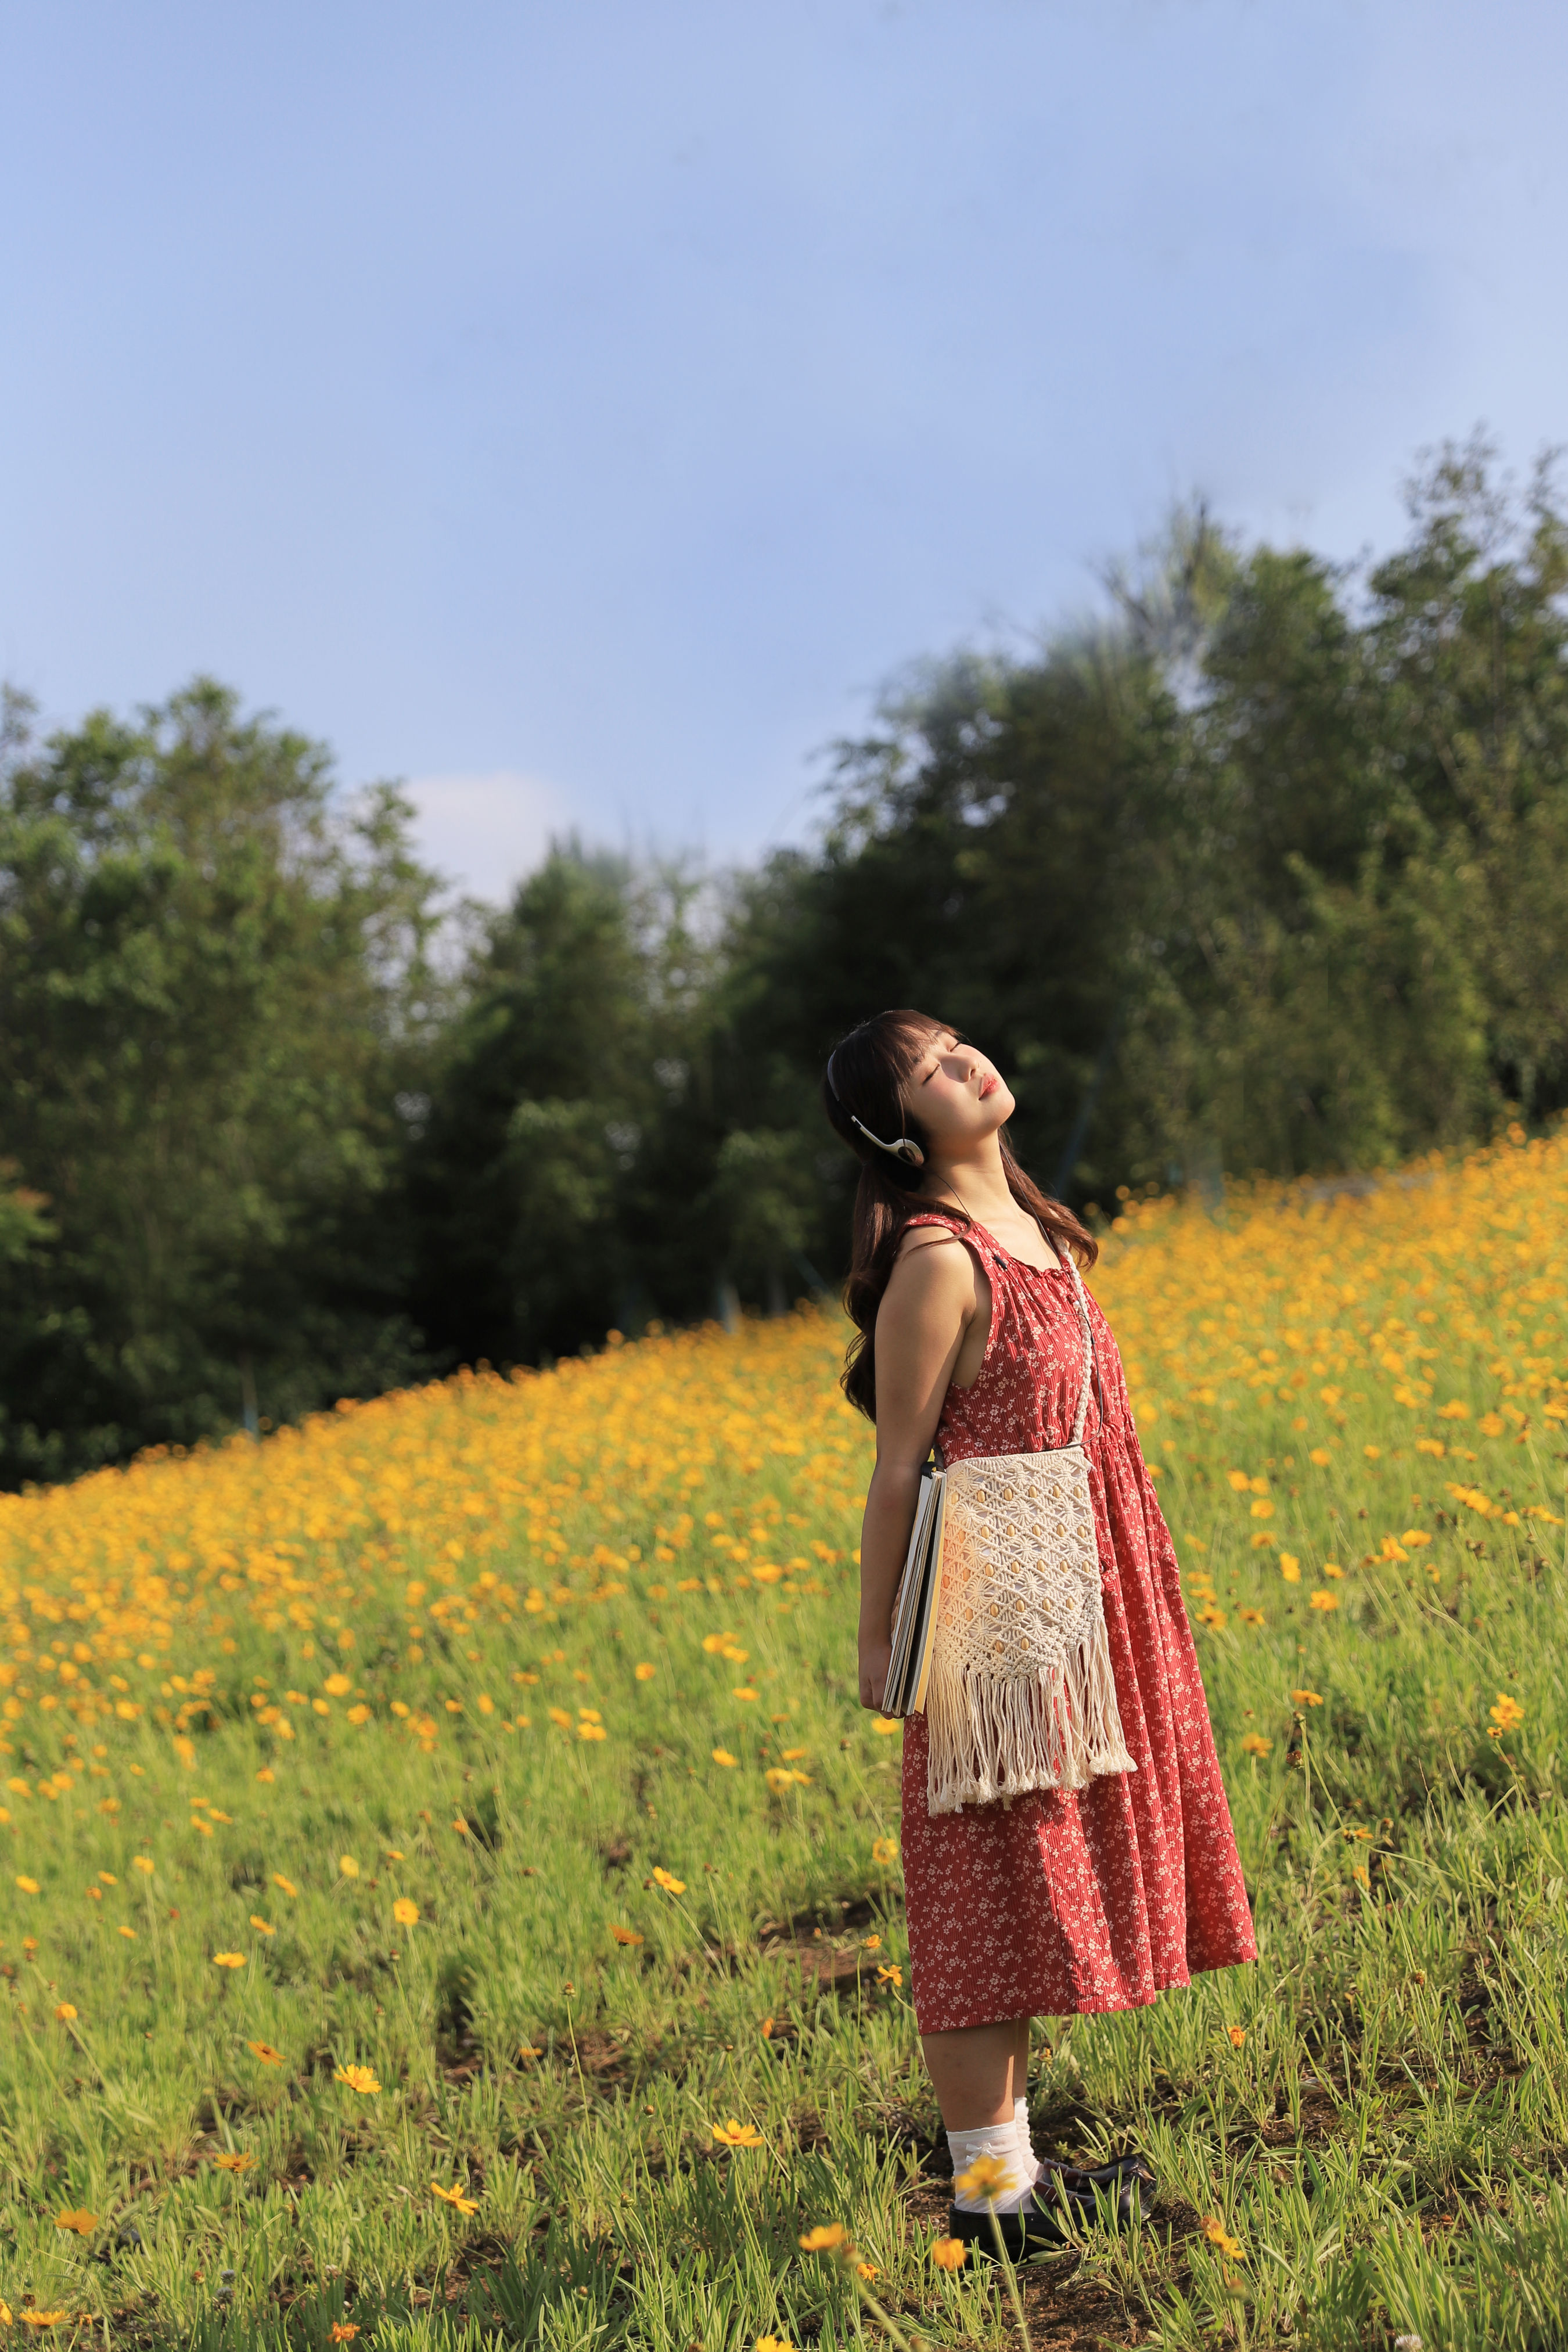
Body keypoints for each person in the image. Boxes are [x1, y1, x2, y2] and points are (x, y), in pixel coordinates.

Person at [823, 1010, 1257, 2256]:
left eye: (959, 1043)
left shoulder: (1038, 1230)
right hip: (1000, 1596)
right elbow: (898, 1468)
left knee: (1026, 1872)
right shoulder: (941, 1262)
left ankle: (1009, 2179)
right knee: (982, 1880)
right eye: (929, 1072)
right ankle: (992, 2197)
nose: (967, 1063)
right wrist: (879, 1648)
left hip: (1092, 1570)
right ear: (900, 1134)